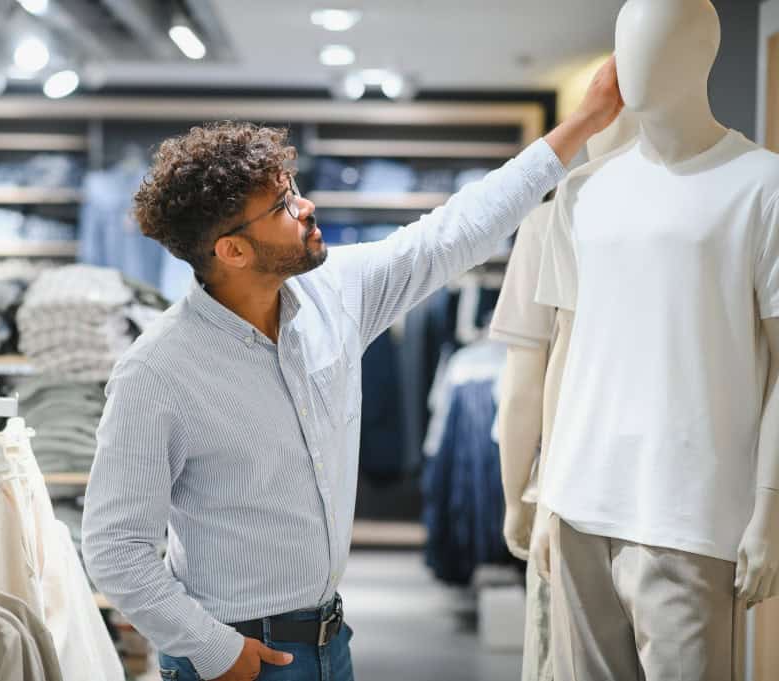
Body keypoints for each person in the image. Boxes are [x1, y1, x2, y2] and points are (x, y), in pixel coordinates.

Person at [81, 58, 623, 681]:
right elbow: (116, 548)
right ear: (231, 250)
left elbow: (456, 232)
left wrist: (583, 122)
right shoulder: (157, 371)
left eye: (293, 188)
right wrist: (212, 648)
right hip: (235, 656)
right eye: (283, 205)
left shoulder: (334, 294)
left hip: (331, 640)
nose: (306, 205)